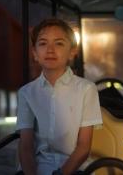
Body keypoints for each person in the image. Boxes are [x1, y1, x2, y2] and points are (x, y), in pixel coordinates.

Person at [16, 18, 102, 175]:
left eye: (59, 43)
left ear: (72, 52)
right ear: (35, 53)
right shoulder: (26, 93)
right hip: (37, 166)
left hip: (74, 167)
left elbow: (83, 147)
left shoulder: (86, 89)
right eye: (43, 43)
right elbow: (26, 145)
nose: (50, 50)